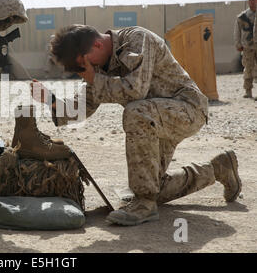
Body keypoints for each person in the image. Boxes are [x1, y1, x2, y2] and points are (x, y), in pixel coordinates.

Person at [30, 24, 242, 226]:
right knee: (153, 185)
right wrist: (51, 100)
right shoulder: (98, 67)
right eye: (79, 69)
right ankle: (218, 169)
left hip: (187, 109)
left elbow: (135, 90)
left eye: (82, 65)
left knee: (135, 113)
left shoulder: (135, 39)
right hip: (155, 121)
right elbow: (81, 107)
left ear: (97, 45)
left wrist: (94, 77)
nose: (84, 71)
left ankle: (144, 204)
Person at [234, 0, 257, 99]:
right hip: (248, 46)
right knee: (248, 68)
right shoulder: (242, 17)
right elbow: (237, 31)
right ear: (248, 1)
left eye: (254, 0)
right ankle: (248, 90)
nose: (253, 2)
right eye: (251, 0)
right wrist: (238, 44)